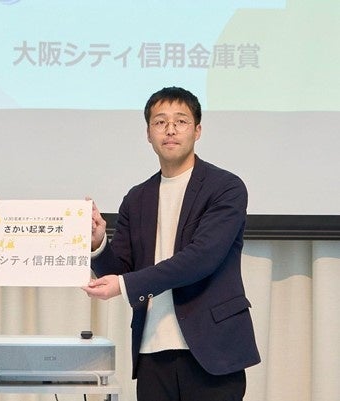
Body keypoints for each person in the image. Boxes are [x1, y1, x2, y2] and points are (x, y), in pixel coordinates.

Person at [82, 87, 260, 400]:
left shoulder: (225, 187)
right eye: (160, 122)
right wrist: (98, 244)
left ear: (198, 130)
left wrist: (124, 284)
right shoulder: (137, 198)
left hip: (212, 350)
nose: (170, 129)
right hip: (153, 350)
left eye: (181, 121)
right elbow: (121, 270)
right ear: (148, 134)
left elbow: (201, 258)